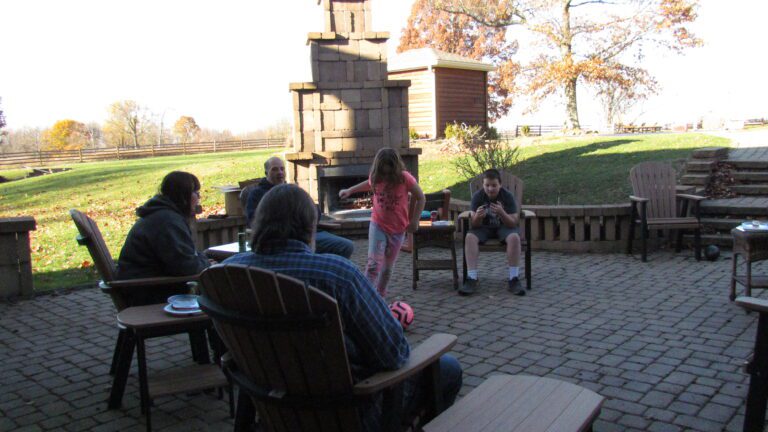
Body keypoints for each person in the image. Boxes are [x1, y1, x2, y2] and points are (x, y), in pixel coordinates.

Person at [224, 184, 461, 431]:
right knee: (448, 369)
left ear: (259, 222)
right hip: (348, 414)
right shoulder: (336, 275)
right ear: (310, 227)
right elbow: (394, 354)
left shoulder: (227, 273)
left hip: (274, 409)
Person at [339, 148, 425, 297]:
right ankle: (364, 296)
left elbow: (421, 197)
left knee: (387, 269)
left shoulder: (405, 178)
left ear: (395, 168)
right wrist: (350, 190)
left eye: (389, 173)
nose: (386, 176)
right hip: (378, 226)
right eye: (383, 173)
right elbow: (368, 183)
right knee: (374, 264)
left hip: (398, 230)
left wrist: (415, 220)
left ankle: (379, 296)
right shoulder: (377, 177)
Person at [117, 171, 210, 302]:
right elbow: (186, 267)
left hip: (144, 286)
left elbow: (187, 257)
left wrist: (201, 260)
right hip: (148, 292)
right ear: (183, 196)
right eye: (195, 192)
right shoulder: (167, 221)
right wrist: (207, 265)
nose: (199, 197)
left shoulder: (162, 215)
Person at [244, 156, 354, 259]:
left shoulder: (293, 191)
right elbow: (253, 220)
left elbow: (314, 211)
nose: (280, 173)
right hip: (280, 238)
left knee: (346, 246)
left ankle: (321, 270)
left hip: (306, 234)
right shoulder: (257, 194)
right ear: (266, 173)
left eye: (282, 169)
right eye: (275, 169)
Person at [460, 168, 525, 296]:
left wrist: (502, 213)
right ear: (483, 185)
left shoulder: (507, 196)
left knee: (514, 238)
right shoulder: (478, 196)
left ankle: (513, 279)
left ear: (500, 184)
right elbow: (473, 224)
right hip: (483, 228)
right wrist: (478, 216)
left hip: (504, 227)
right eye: (487, 185)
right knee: (469, 237)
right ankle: (472, 278)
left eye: (494, 185)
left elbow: (513, 222)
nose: (490, 189)